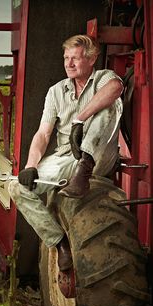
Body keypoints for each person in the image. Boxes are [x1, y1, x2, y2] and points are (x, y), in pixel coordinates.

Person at [8, 34, 123, 271]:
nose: (69, 64)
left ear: (91, 60)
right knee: (17, 187)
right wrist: (31, 165)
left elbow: (115, 88)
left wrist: (80, 119)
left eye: (75, 58)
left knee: (109, 103)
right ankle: (59, 244)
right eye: (66, 58)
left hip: (100, 156)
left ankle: (83, 172)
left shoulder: (104, 78)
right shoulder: (56, 91)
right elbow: (43, 134)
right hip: (68, 157)